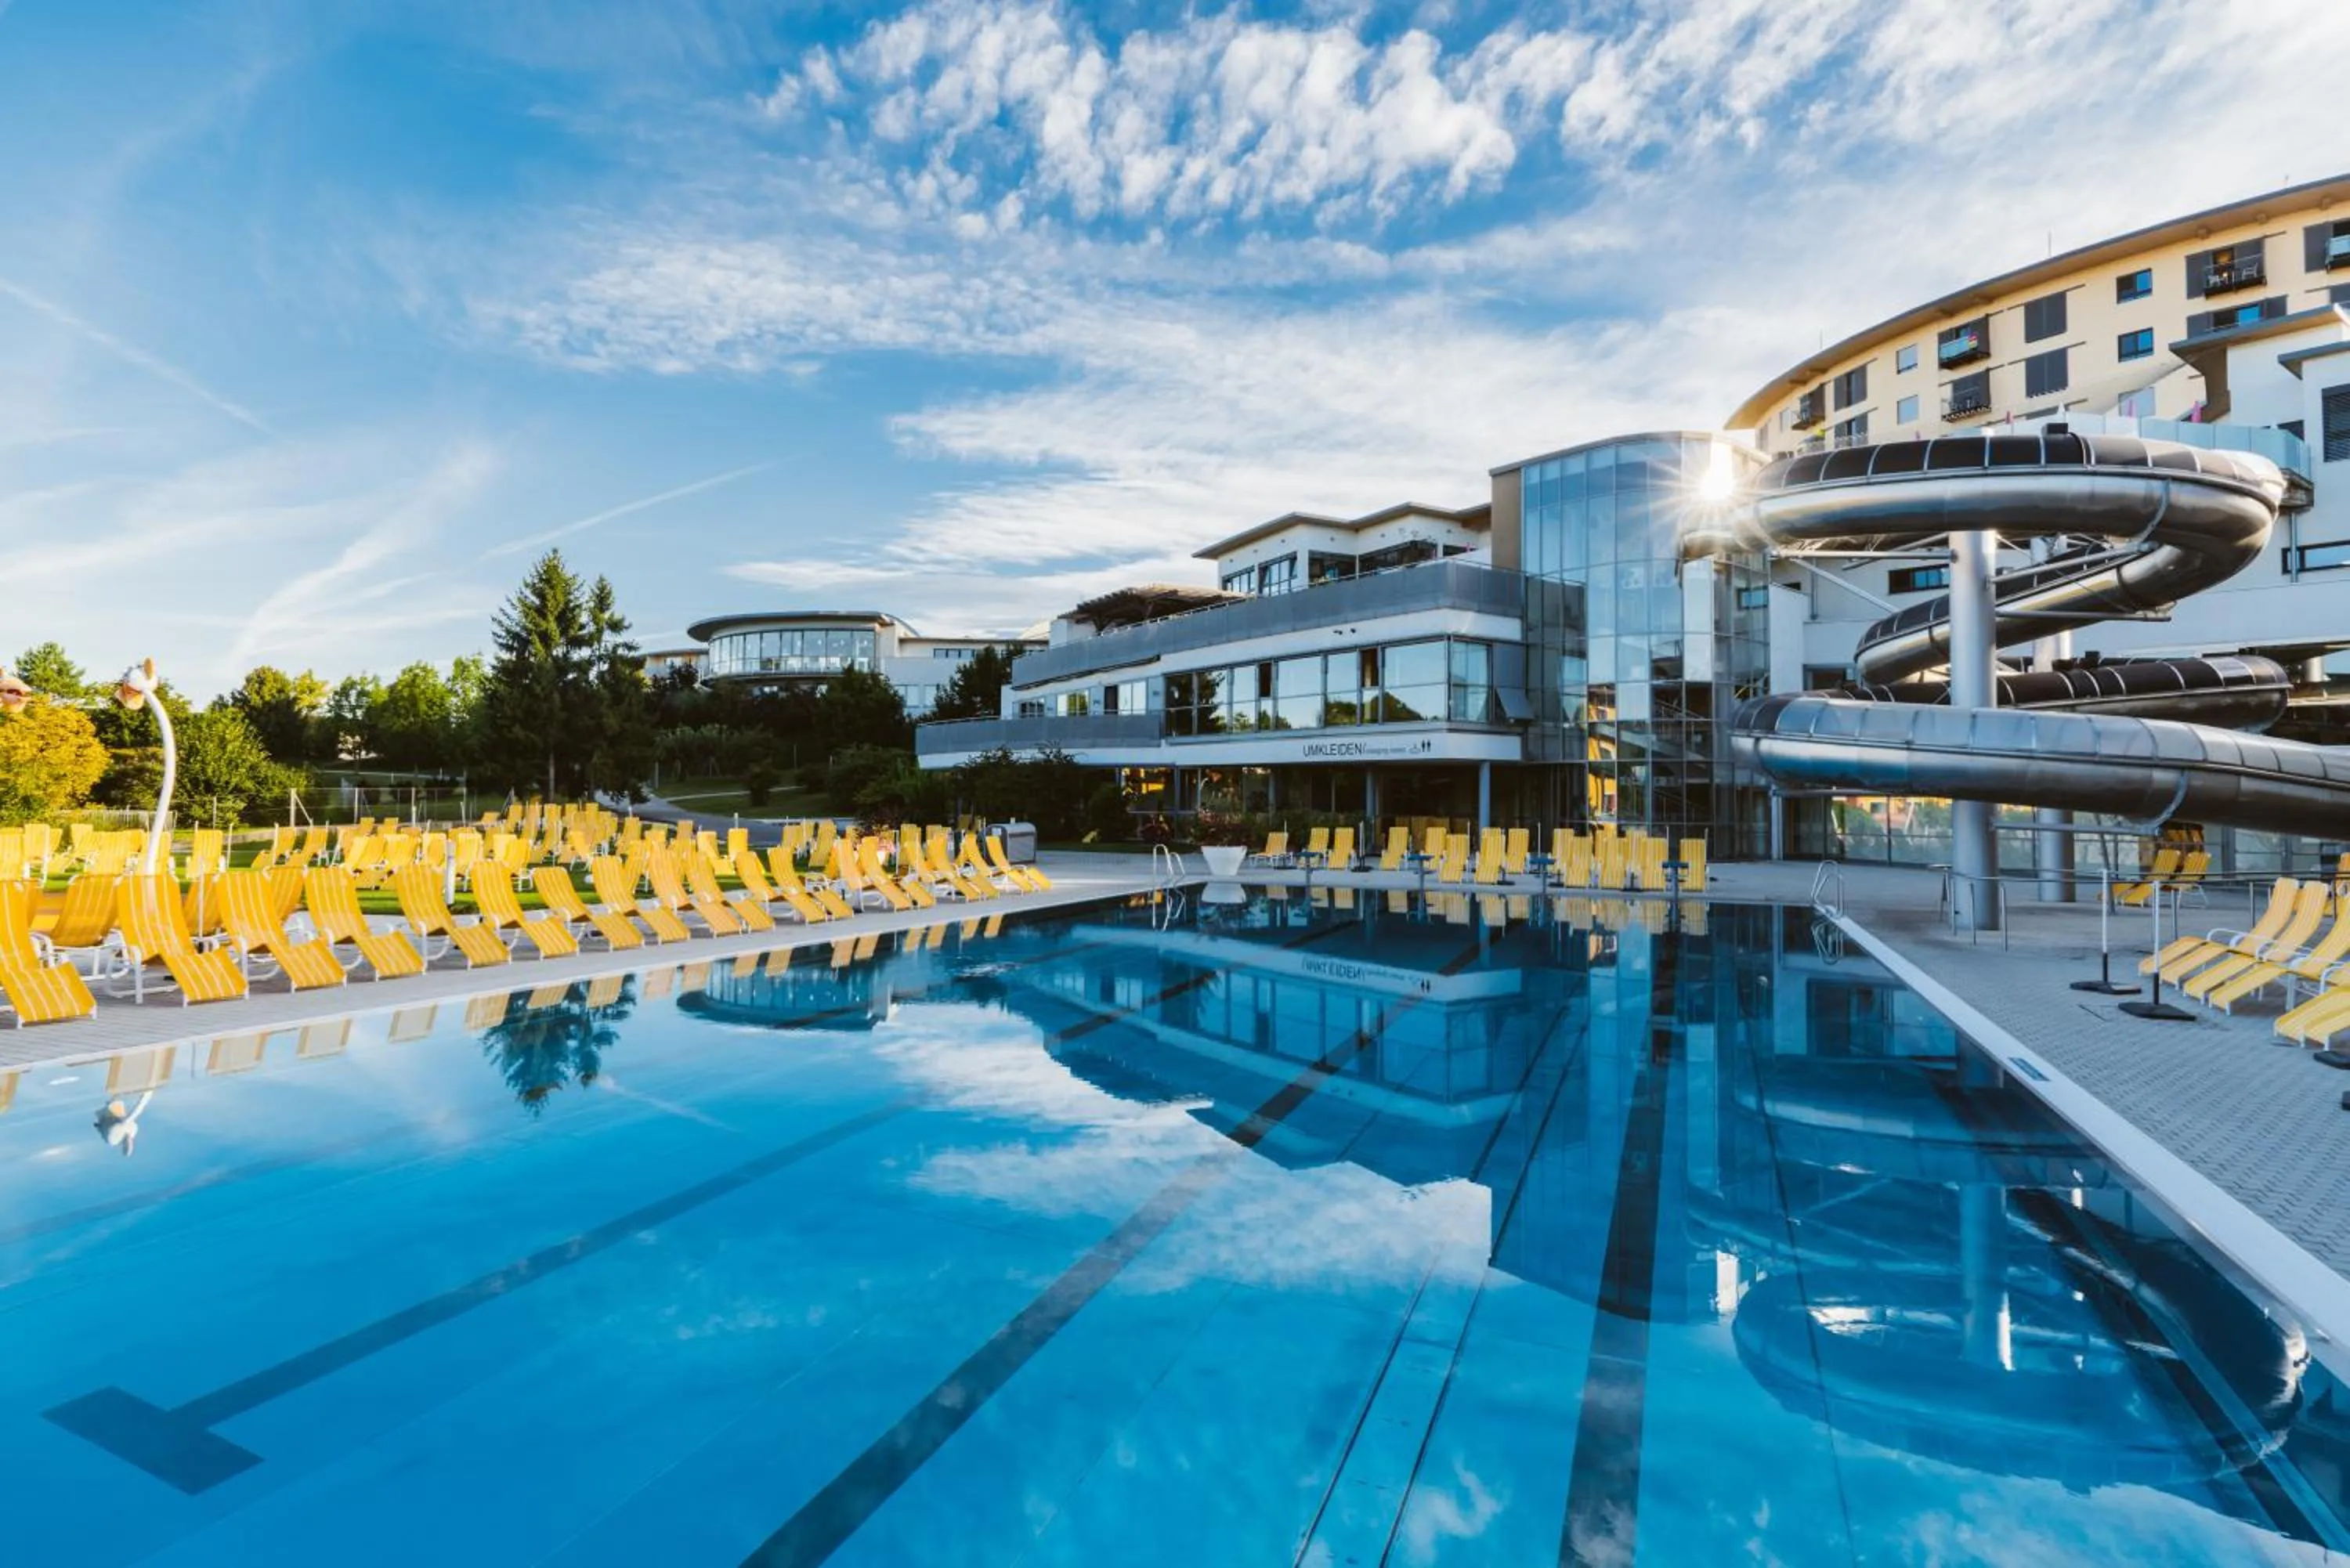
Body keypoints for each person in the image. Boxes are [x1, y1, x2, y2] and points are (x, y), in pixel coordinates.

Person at [93, 1090, 153, 1156]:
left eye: (126, 1146)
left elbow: (138, 1109)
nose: (128, 1143)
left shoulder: (114, 1138)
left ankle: (114, 1100)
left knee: (117, 1105)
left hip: (108, 1117)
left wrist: (147, 1093)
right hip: (112, 1116)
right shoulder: (131, 1130)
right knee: (117, 1103)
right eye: (129, 1144)